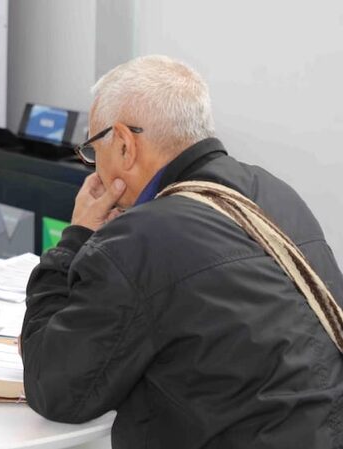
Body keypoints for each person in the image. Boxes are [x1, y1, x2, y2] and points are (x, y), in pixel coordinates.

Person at [20, 55, 343, 448]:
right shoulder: (276, 193)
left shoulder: (142, 237)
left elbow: (53, 387)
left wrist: (74, 238)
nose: (94, 168)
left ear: (123, 143)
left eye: (92, 150)